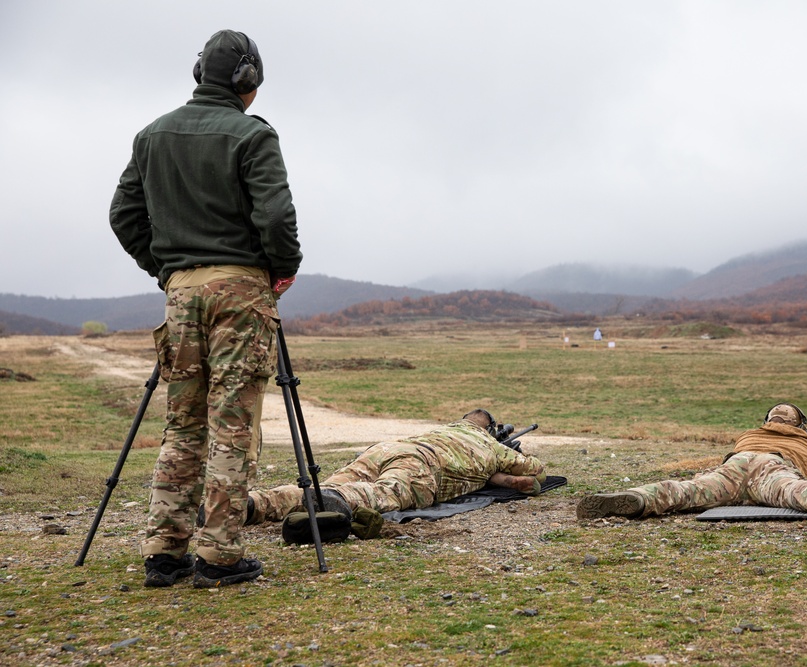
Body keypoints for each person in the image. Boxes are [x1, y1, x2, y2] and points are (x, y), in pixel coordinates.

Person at [109, 29, 302, 588]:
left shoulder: (151, 136)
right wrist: (280, 268)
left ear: (200, 76)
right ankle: (218, 556)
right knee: (232, 424)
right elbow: (275, 218)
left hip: (182, 295)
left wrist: (169, 271)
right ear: (248, 81)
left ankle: (164, 552)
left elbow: (124, 216)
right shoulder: (253, 136)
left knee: (183, 423)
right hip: (241, 292)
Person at [245, 410, 546, 539]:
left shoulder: (448, 428)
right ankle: (335, 500)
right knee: (377, 494)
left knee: (324, 484)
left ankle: (253, 504)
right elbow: (536, 473)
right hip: (424, 465)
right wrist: (511, 454)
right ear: (489, 431)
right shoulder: (489, 445)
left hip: (388, 449)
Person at [577, 403, 807, 524]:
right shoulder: (805, 442)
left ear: (767, 420)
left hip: (734, 465)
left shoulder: (748, 435)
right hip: (772, 466)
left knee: (689, 490)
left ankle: (639, 497)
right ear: (800, 424)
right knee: (794, 490)